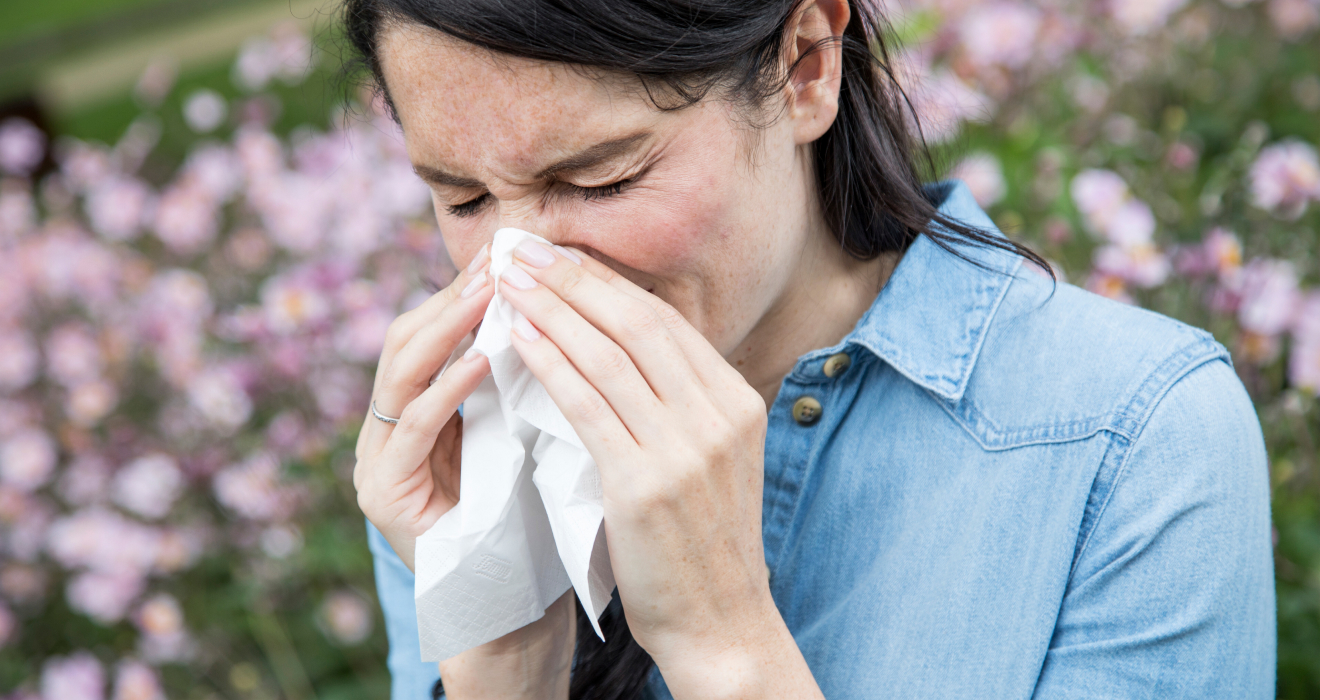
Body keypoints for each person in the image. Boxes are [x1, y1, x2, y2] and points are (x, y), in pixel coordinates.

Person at [343, 0, 1277, 697]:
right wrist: (502, 649)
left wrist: (729, 648)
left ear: (804, 67)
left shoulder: (1132, 440)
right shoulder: (467, 453)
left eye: (600, 177)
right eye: (461, 198)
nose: (518, 267)